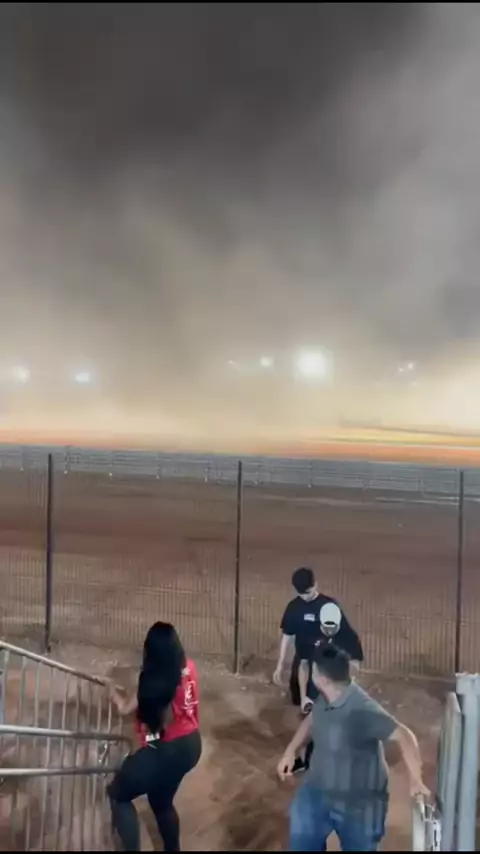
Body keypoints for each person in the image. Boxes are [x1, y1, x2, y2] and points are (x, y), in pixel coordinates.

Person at [278, 645, 430, 852]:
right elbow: (313, 718)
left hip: (359, 806)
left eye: (313, 671)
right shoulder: (328, 695)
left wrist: (416, 780)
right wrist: (291, 750)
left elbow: (404, 735)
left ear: (322, 680)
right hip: (317, 793)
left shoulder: (362, 710)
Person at [107, 622, 201, 852]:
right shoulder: (187, 666)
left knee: (118, 794)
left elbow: (124, 708)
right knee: (161, 802)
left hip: (167, 751)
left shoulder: (154, 681)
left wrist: (111, 689)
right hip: (192, 744)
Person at [273, 567, 364, 715]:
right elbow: (289, 640)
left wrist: (345, 684)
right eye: (302, 594)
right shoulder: (294, 608)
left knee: (326, 696)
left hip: (327, 657)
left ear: (315, 584)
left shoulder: (330, 608)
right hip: (308, 653)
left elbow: (353, 657)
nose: (305, 597)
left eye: (308, 592)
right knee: (298, 696)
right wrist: (280, 665)